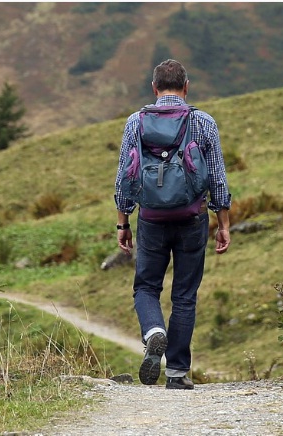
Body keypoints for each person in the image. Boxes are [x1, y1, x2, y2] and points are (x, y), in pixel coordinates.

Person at [113, 59, 232, 390]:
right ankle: (177, 373)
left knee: (146, 287)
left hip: (151, 218)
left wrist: (123, 222)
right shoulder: (203, 122)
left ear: (154, 88)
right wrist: (223, 222)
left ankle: (154, 331)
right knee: (184, 295)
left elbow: (125, 176)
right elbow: (218, 177)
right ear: (186, 86)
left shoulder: (135, 123)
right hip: (192, 217)